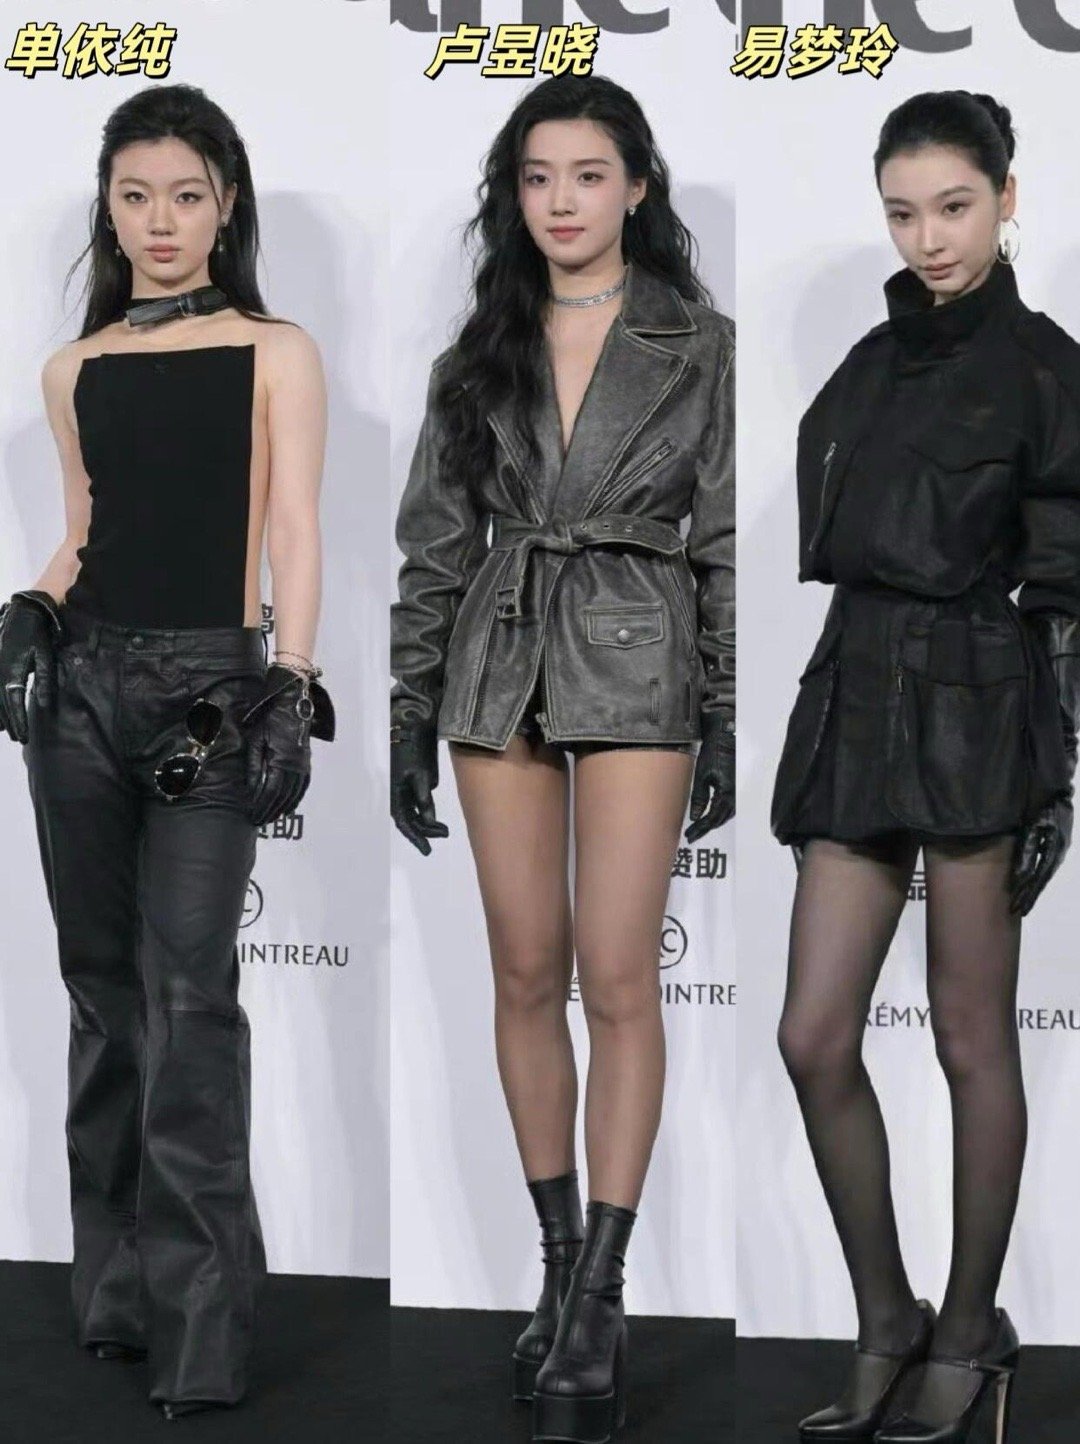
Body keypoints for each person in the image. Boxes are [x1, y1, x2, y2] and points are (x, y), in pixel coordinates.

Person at [390, 73, 734, 1444]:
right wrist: (409, 708)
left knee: (618, 977)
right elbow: (433, 547)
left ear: (637, 188)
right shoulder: (476, 353)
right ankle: (557, 1264)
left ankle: (602, 1290)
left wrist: (722, 709)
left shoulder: (700, 346)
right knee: (525, 971)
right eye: (537, 178)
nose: (561, 202)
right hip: (498, 658)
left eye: (588, 175)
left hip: (641, 652)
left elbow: (721, 543)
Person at [0, 83, 333, 1419]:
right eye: (136, 196)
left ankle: (203, 1332)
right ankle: (117, 1294)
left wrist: (291, 682)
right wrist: (28, 610)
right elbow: (88, 531)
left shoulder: (276, 350)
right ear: (108, 208)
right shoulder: (72, 369)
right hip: (80, 689)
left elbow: (294, 527)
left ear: (225, 206)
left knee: (190, 1000)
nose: (160, 220)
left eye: (186, 195)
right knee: (101, 997)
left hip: (209, 692)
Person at [772, 90, 1080, 1444]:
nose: (929, 237)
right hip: (858, 684)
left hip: (978, 703)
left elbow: (1064, 590)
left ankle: (968, 1329)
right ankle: (885, 1316)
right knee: (812, 1033)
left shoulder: (1048, 370)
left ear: (1007, 199)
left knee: (968, 1036)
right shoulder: (867, 361)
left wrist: (1058, 767)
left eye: (954, 206)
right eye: (902, 213)